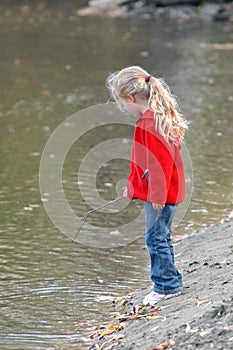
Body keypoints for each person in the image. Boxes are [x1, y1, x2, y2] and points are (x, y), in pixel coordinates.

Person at [106, 66, 188, 306]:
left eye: (123, 103)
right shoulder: (154, 117)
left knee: (155, 238)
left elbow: (160, 164)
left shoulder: (150, 122)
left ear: (132, 98)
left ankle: (166, 286)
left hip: (161, 193)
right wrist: (133, 186)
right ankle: (170, 281)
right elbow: (143, 163)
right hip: (163, 190)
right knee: (162, 235)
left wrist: (157, 195)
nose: (124, 108)